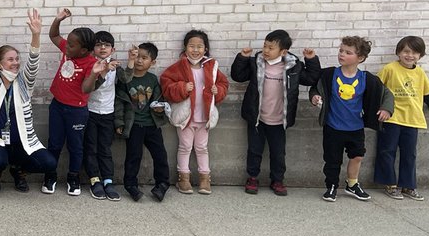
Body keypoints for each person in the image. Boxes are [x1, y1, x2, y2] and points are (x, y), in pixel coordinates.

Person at [0, 0, 57, 193]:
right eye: (10, 60)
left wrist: (36, 35)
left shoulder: (25, 83)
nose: (15, 63)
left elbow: (33, 62)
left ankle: (19, 170)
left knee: (49, 163)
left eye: (17, 59)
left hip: (21, 140)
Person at [229, 30, 321, 196]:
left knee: (278, 153)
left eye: (271, 48)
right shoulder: (256, 63)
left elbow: (311, 79)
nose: (265, 50)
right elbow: (238, 76)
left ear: (283, 52)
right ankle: (252, 178)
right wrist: (242, 58)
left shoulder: (293, 66)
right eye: (265, 46)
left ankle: (277, 180)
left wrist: (311, 60)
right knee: (254, 150)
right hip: (257, 117)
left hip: (280, 120)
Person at [310, 35, 393, 203]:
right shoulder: (329, 74)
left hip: (355, 127)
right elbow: (314, 88)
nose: (342, 54)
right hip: (333, 127)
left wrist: (386, 109)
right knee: (333, 160)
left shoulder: (367, 79)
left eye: (348, 52)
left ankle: (352, 184)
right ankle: (331, 186)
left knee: (357, 156)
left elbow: (386, 93)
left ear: (360, 58)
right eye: (341, 50)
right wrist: (315, 96)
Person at [374, 35, 429, 200]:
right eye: (406, 51)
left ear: (420, 55)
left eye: (415, 52)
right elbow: (376, 88)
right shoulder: (390, 69)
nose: (410, 55)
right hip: (391, 117)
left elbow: (426, 93)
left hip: (412, 118)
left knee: (409, 154)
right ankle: (390, 184)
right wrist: (376, 108)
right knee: (387, 151)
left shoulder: (420, 72)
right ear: (399, 52)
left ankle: (408, 186)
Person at [161, 29, 229, 195]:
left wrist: (217, 90)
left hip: (204, 116)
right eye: (191, 46)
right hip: (186, 117)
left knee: (202, 147)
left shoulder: (212, 67)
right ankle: (183, 179)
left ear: (205, 49)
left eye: (200, 46)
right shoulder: (179, 67)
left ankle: (205, 179)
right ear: (185, 48)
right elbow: (166, 84)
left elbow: (224, 84)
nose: (195, 50)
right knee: (184, 147)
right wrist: (182, 87)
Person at [44, 9, 102, 196]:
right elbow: (53, 35)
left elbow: (86, 89)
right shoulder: (67, 50)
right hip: (57, 106)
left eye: (71, 45)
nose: (66, 47)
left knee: (76, 146)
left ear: (84, 50)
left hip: (77, 111)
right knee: (54, 143)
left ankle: (73, 176)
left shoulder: (91, 63)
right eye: (67, 43)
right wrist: (58, 19)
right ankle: (50, 174)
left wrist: (94, 72)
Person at [115, 43, 170, 202]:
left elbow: (158, 100)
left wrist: (160, 109)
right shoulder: (125, 78)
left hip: (152, 125)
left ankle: (162, 184)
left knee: (160, 155)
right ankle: (131, 185)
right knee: (134, 156)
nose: (139, 60)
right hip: (133, 126)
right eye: (137, 56)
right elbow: (118, 102)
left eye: (144, 58)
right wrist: (119, 123)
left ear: (152, 62)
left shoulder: (152, 79)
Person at [83, 30, 121, 201]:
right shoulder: (90, 66)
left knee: (105, 149)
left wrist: (131, 62)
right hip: (90, 112)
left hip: (108, 113)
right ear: (93, 49)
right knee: (91, 148)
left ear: (112, 49)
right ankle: (94, 179)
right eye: (99, 45)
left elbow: (127, 82)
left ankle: (108, 180)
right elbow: (91, 88)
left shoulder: (116, 66)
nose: (103, 48)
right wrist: (103, 72)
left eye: (106, 45)